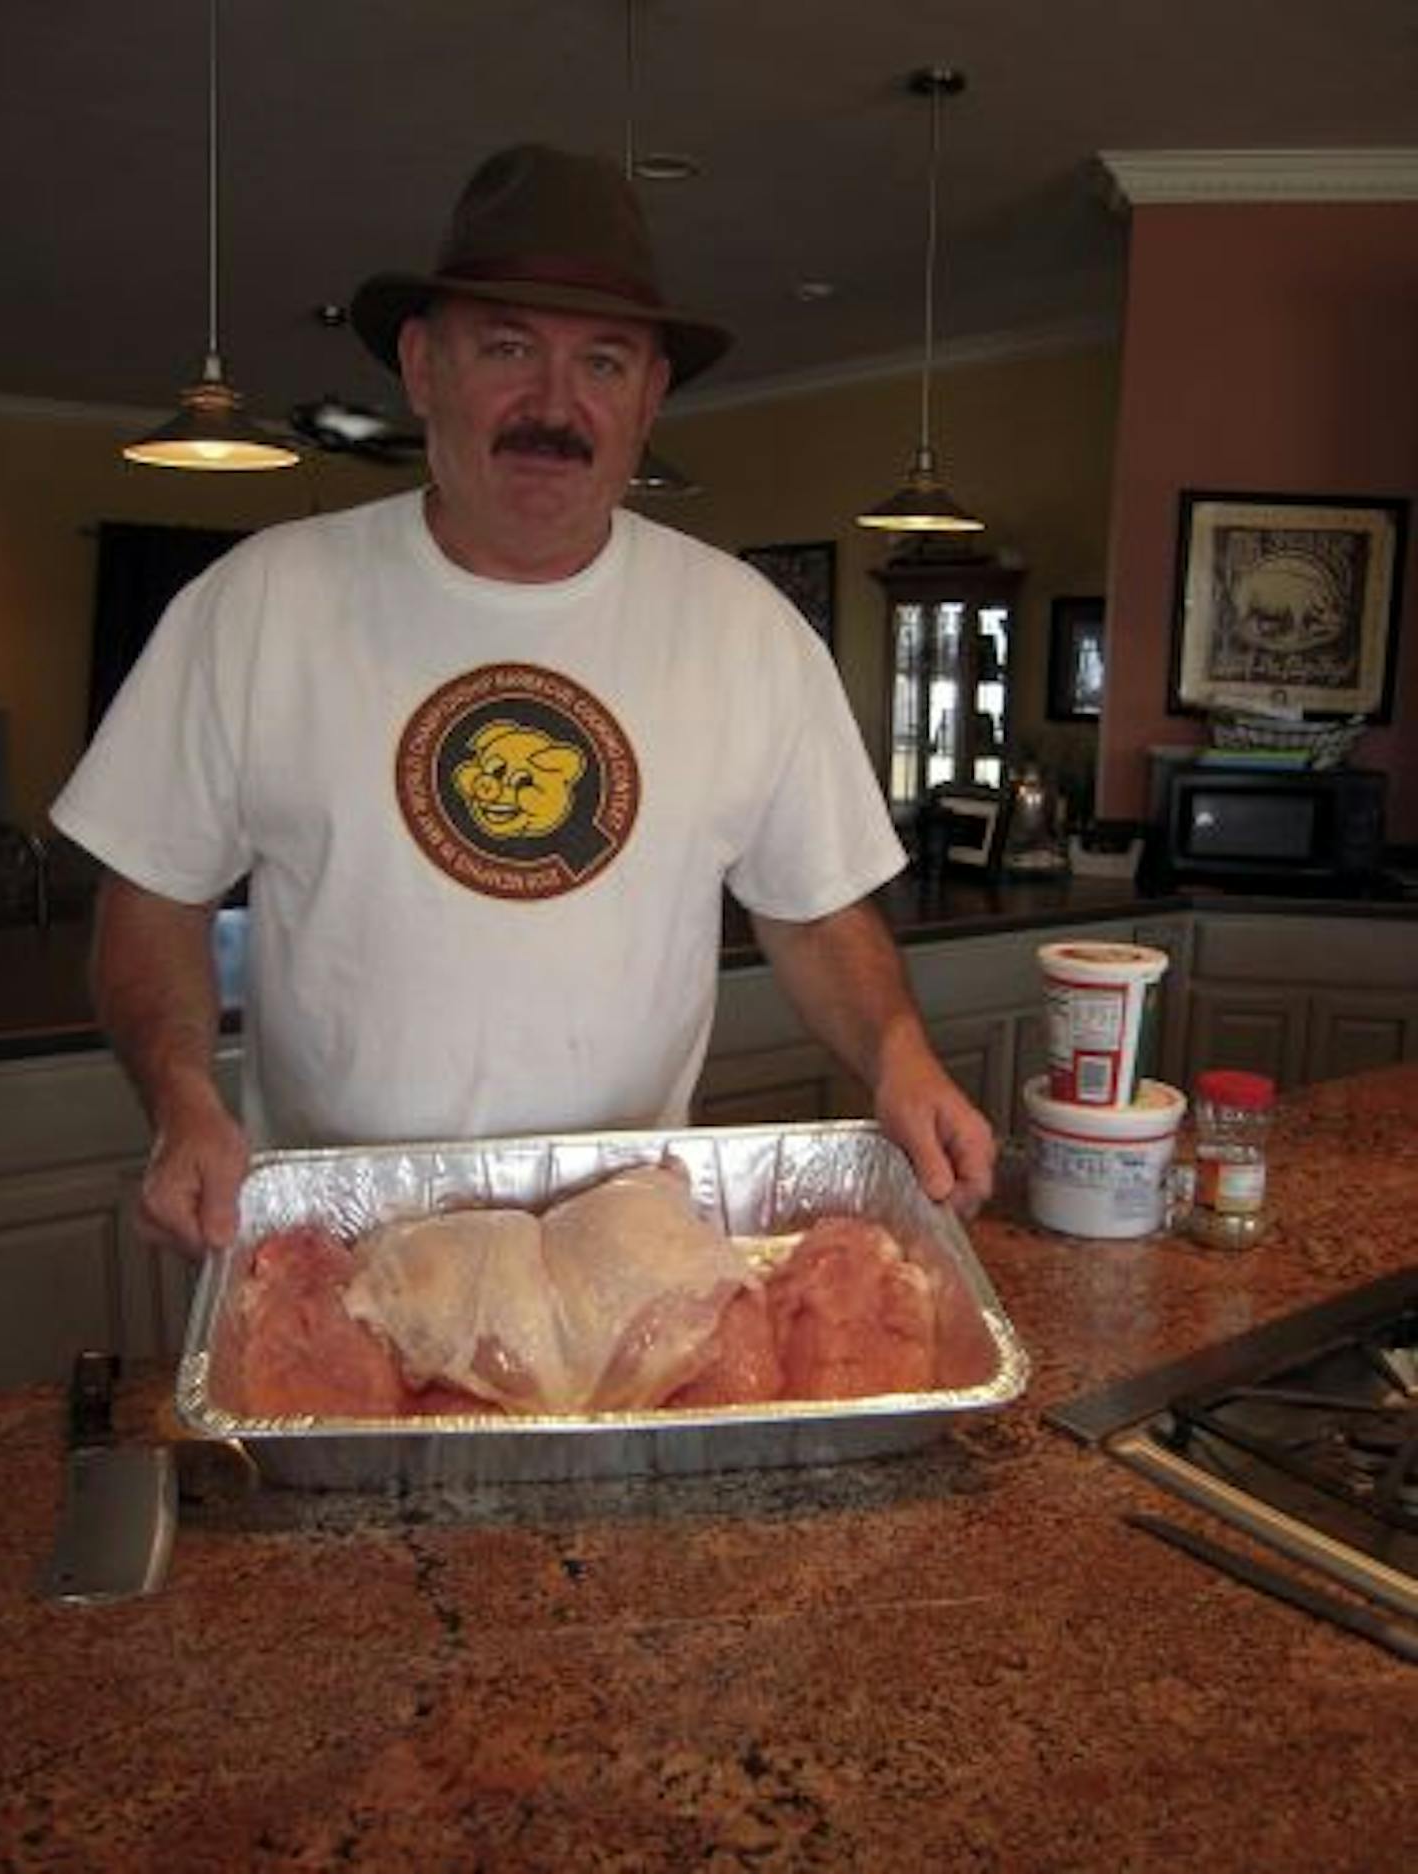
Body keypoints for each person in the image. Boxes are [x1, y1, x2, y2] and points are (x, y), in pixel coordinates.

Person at [52, 143, 995, 1258]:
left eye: (603, 364)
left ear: (648, 398)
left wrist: (896, 1051)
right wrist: (180, 1096)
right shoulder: (257, 603)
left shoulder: (745, 630)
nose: (554, 405)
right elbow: (151, 894)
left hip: (623, 1243)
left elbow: (812, 906)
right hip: (326, 1244)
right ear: (420, 365)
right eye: (507, 348)